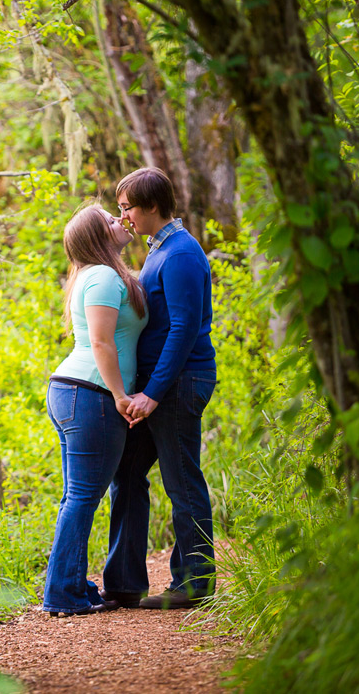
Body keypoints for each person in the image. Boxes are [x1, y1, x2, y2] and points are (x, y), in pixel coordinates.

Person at [101, 167, 218, 610]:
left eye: (128, 206)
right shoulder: (159, 252)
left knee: (182, 480)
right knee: (127, 474)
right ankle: (125, 583)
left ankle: (194, 584)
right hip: (154, 387)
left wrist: (152, 393)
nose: (124, 215)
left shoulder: (183, 254)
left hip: (179, 383)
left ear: (151, 206)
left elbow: (185, 328)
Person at [42, 203, 148, 617]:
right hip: (91, 393)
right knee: (83, 496)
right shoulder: (103, 276)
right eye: (109, 219)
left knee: (77, 496)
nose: (118, 221)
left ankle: (68, 584)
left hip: (75, 392)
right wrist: (121, 396)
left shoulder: (99, 275)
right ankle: (62, 593)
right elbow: (102, 344)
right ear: (97, 236)